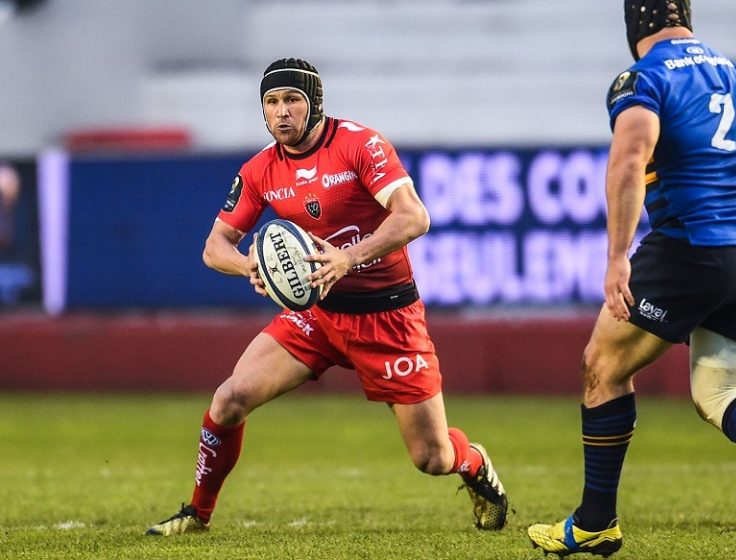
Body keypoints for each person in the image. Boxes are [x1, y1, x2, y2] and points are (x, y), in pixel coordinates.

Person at [527, 2, 736, 559]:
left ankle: (596, 521)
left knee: (601, 368)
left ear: (633, 27)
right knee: (721, 392)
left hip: (691, 251)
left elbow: (629, 160)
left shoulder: (641, 80)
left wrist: (618, 256)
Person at [147, 58, 508, 536]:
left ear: (314, 103)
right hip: (316, 315)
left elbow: (414, 218)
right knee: (230, 398)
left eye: (291, 100)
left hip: (387, 316)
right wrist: (249, 266)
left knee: (433, 457)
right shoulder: (260, 169)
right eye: (271, 103)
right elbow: (215, 248)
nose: (281, 113)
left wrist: (347, 258)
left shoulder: (360, 144)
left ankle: (476, 463)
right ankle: (198, 514)